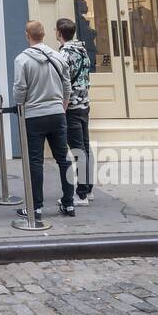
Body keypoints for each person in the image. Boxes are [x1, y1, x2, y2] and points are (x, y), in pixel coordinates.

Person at [13, 20, 75, 220]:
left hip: (34, 115)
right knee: (63, 159)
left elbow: (19, 89)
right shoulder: (57, 56)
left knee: (35, 162)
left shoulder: (22, 60)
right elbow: (67, 84)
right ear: (44, 34)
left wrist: (20, 106)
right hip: (57, 113)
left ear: (27, 35)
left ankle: (36, 207)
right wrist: (63, 105)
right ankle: (68, 203)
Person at [56, 17, 94, 205]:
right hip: (85, 103)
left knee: (78, 149)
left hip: (71, 106)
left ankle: (81, 194)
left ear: (59, 33)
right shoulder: (83, 51)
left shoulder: (64, 55)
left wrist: (62, 105)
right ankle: (88, 188)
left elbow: (63, 83)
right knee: (85, 147)